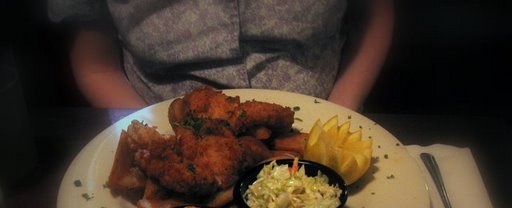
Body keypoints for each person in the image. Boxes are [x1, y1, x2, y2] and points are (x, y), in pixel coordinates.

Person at [48, 0, 393, 111]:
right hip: (158, 120)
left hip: (322, 118)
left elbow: (376, 13)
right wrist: (152, 140)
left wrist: (339, 117)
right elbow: (94, 61)